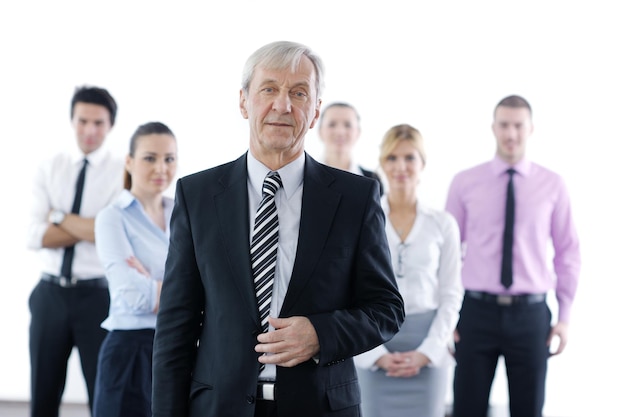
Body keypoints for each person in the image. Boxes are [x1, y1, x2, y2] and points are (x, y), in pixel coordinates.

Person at [151, 40, 405, 417]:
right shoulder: (197, 195)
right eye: (269, 89)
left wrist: (321, 334)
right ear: (243, 101)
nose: (283, 105)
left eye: (299, 93)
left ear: (315, 111)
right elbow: (175, 326)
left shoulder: (356, 197)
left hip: (318, 407)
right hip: (218, 407)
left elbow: (386, 309)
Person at [445, 95, 581, 417]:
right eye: (504, 125)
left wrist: (565, 316)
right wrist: (445, 316)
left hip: (531, 316)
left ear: (530, 128)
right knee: (467, 408)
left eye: (518, 125)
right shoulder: (465, 182)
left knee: (529, 409)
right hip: (475, 313)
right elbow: (447, 255)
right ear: (493, 128)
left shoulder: (553, 185)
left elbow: (568, 252)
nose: (511, 133)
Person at [26, 86, 124, 417]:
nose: (90, 130)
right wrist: (86, 227)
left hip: (96, 297)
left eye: (98, 123)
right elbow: (34, 235)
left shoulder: (120, 172)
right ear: (72, 121)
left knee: (102, 392)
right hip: (49, 293)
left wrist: (58, 217)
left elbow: (109, 233)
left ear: (110, 125)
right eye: (83, 121)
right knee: (43, 393)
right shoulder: (50, 167)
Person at [354, 124, 463, 417]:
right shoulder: (363, 220)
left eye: (409, 158)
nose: (401, 166)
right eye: (392, 158)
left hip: (427, 344)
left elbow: (451, 294)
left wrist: (428, 352)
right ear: (382, 164)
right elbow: (349, 291)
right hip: (374, 342)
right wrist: (375, 356)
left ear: (422, 163)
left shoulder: (442, 223)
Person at [92, 122, 178, 417]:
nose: (161, 168)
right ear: (129, 162)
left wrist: (154, 284)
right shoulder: (112, 217)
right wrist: (181, 290)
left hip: (176, 349)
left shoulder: (183, 213)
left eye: (169, 158)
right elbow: (134, 297)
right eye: (149, 158)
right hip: (129, 351)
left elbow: (210, 287)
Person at [318, 102, 384, 193]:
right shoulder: (305, 176)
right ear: (320, 131)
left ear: (358, 132)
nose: (340, 132)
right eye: (332, 124)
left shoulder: (373, 181)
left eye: (347, 125)